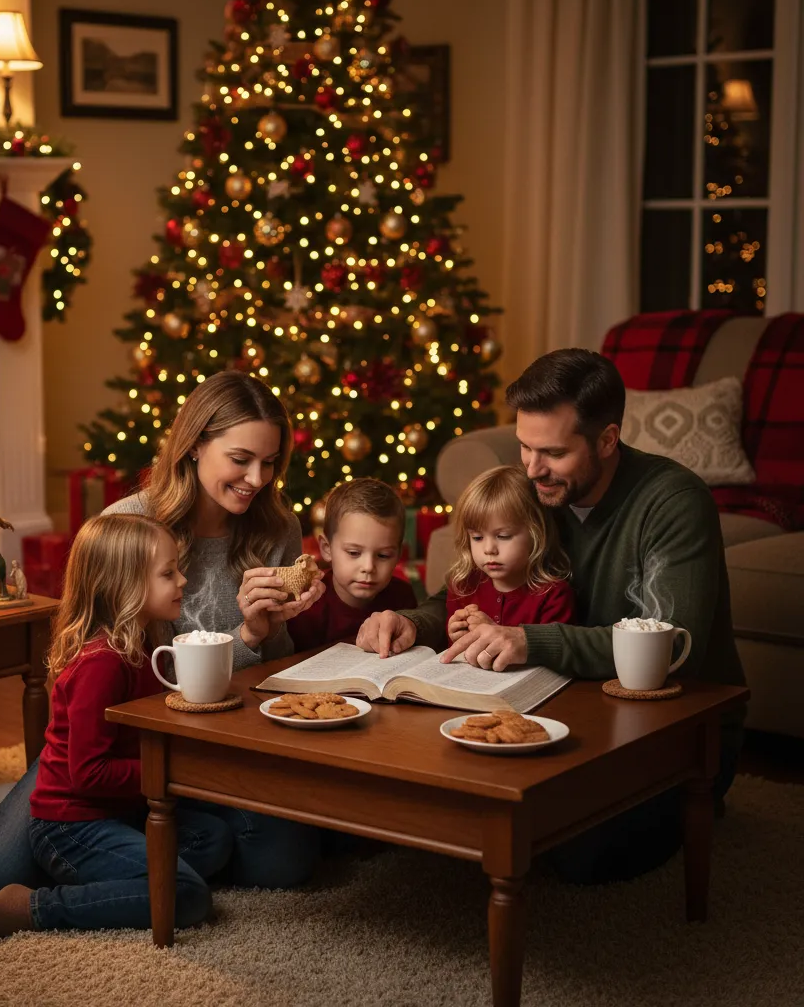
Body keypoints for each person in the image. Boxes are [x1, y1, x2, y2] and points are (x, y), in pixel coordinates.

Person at [357, 348, 746, 884]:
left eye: (553, 452)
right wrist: (415, 622)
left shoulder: (671, 502)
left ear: (608, 440)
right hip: (560, 710)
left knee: (576, 851)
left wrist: (530, 640)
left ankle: (687, 805)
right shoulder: (543, 490)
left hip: (676, 734)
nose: (533, 468)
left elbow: (674, 647)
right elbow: (470, 594)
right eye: (524, 446)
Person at [0, 371, 324, 901]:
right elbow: (95, 668)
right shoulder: (128, 526)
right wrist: (242, 633)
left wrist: (273, 629)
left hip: (220, 737)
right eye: (241, 459)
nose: (256, 478)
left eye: (270, 463)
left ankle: (136, 837)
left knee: (284, 861)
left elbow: (271, 677)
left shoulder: (277, 529)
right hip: (121, 740)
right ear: (196, 444)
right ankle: (53, 821)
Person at [0, 514, 233, 946]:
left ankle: (97, 874)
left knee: (214, 838)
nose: (182, 579)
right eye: (167, 573)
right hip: (71, 824)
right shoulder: (103, 663)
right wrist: (168, 773)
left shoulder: (143, 639)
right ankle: (31, 908)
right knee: (187, 896)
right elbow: (87, 774)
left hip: (120, 812)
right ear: (125, 586)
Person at [444, 464, 575, 645]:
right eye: (477, 537)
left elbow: (552, 657)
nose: (489, 549)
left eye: (503, 536)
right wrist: (457, 635)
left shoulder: (553, 596)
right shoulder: (464, 586)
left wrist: (495, 633)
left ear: (535, 534)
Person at [288, 477, 416, 653]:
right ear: (327, 548)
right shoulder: (309, 603)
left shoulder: (403, 597)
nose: (368, 567)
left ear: (398, 555)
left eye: (383, 555)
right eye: (354, 553)